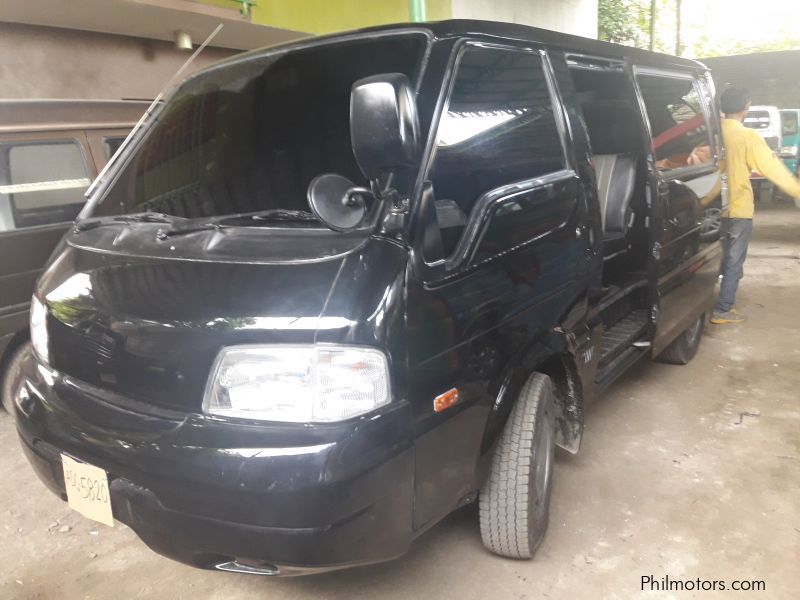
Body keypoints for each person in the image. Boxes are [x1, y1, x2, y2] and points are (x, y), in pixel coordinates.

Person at [710, 87, 800, 325]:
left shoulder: (713, 135)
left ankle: (708, 298)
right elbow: (774, 171)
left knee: (716, 256)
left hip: (712, 209)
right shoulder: (747, 136)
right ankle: (723, 310)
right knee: (733, 260)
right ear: (746, 106)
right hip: (738, 208)